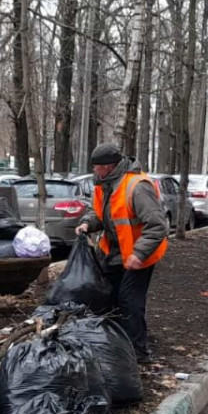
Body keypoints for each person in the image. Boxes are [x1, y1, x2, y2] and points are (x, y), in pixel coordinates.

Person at [76, 143, 168, 361]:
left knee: (129, 300)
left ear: (110, 166)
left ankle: (138, 351)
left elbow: (157, 225)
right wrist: (87, 223)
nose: (94, 171)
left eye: (97, 167)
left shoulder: (137, 186)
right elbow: (97, 212)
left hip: (140, 254)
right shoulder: (103, 184)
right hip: (115, 253)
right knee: (108, 295)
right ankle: (115, 343)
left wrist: (139, 254)